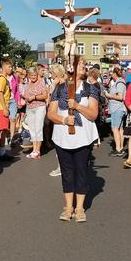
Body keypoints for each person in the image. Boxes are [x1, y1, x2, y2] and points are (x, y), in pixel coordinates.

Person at [47, 58, 99, 222]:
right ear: (72, 69)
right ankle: (68, 207)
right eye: (81, 65)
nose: (84, 68)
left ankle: (80, 208)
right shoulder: (60, 89)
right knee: (67, 173)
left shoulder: (90, 89)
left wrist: (77, 106)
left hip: (83, 138)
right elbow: (51, 113)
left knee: (81, 171)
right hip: (62, 138)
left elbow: (93, 114)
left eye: (84, 66)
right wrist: (63, 120)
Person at [23, 66, 48, 159]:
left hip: (39, 108)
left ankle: (37, 151)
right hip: (29, 108)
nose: (33, 77)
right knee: (32, 130)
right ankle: (34, 150)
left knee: (38, 129)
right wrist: (25, 98)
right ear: (29, 75)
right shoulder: (28, 84)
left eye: (34, 75)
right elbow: (25, 94)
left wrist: (34, 97)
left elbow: (45, 95)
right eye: (31, 75)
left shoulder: (41, 82)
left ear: (37, 75)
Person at [0, 59, 13, 160]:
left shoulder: (2, 78)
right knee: (3, 131)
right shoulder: (2, 79)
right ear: (4, 67)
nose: (11, 69)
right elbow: (0, 93)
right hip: (1, 108)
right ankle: (2, 153)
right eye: (9, 67)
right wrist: (5, 108)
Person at [106, 67, 127, 157]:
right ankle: (121, 147)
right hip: (119, 108)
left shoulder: (119, 83)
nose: (111, 75)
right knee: (120, 129)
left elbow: (120, 97)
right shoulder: (119, 82)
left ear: (115, 74)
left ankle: (118, 149)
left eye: (111, 73)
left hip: (117, 108)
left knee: (115, 129)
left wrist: (109, 95)